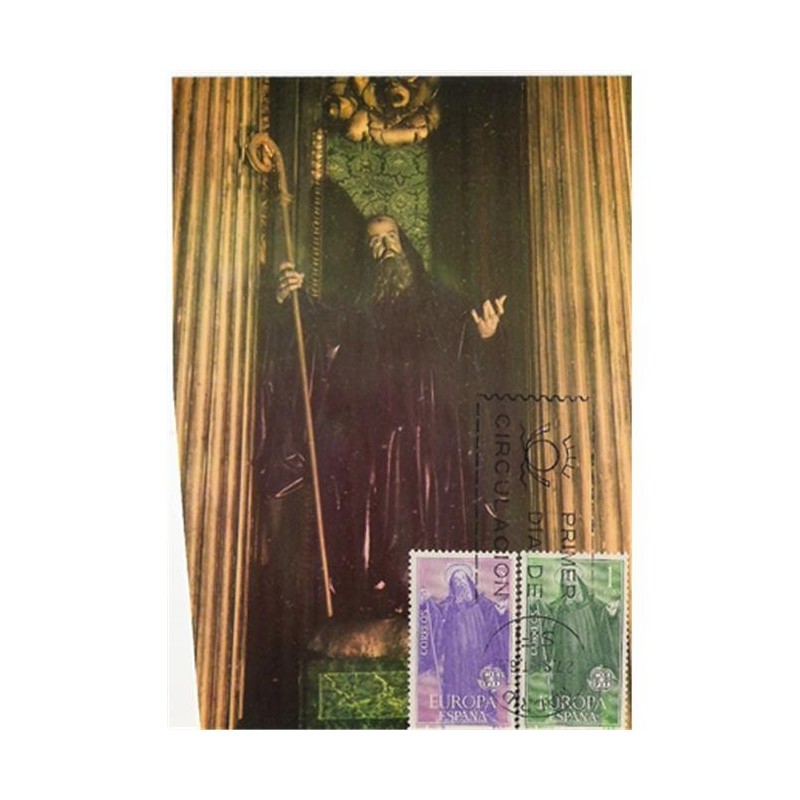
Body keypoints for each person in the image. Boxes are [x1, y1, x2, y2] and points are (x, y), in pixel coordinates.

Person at [255, 215, 507, 618]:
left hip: (427, 445)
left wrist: (486, 336)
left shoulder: (441, 304)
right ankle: (376, 601)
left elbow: (467, 356)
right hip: (371, 446)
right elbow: (313, 336)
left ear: (405, 245)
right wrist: (292, 300)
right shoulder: (356, 308)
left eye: (391, 237)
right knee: (375, 527)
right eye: (375, 241)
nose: (385, 246)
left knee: (427, 525)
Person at [418, 566, 509, 724]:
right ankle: (455, 717)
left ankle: (484, 717)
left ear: (469, 582)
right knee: (457, 687)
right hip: (456, 661)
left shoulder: (483, 603)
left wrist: (501, 613)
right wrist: (427, 603)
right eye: (456, 580)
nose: (460, 583)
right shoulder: (448, 606)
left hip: (479, 658)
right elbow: (435, 619)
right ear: (452, 586)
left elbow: (495, 621)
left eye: (462, 579)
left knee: (481, 687)